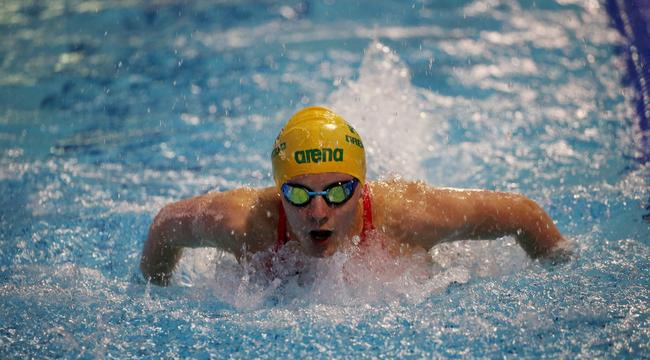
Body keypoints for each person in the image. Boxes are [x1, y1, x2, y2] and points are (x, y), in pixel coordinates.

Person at [140, 106, 565, 285]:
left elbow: (523, 214)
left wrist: (563, 273)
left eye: (338, 191)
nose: (318, 212)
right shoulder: (247, 222)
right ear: (278, 191)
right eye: (299, 194)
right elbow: (164, 227)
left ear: (361, 187)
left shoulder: (407, 216)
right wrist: (154, 298)